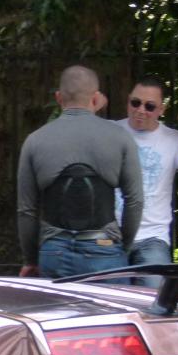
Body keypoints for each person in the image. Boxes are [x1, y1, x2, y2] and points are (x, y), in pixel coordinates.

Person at [17, 65, 143, 279]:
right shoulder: (119, 137)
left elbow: (26, 210)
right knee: (112, 314)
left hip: (54, 251)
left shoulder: (35, 140)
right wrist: (124, 245)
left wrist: (31, 260)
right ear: (95, 98)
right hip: (105, 249)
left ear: (58, 98)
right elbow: (135, 201)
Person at [113, 76, 178, 286]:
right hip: (111, 235)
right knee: (109, 303)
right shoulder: (109, 131)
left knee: (155, 299)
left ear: (161, 109)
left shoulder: (173, 139)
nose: (141, 110)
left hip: (151, 238)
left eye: (149, 106)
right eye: (135, 103)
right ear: (128, 100)